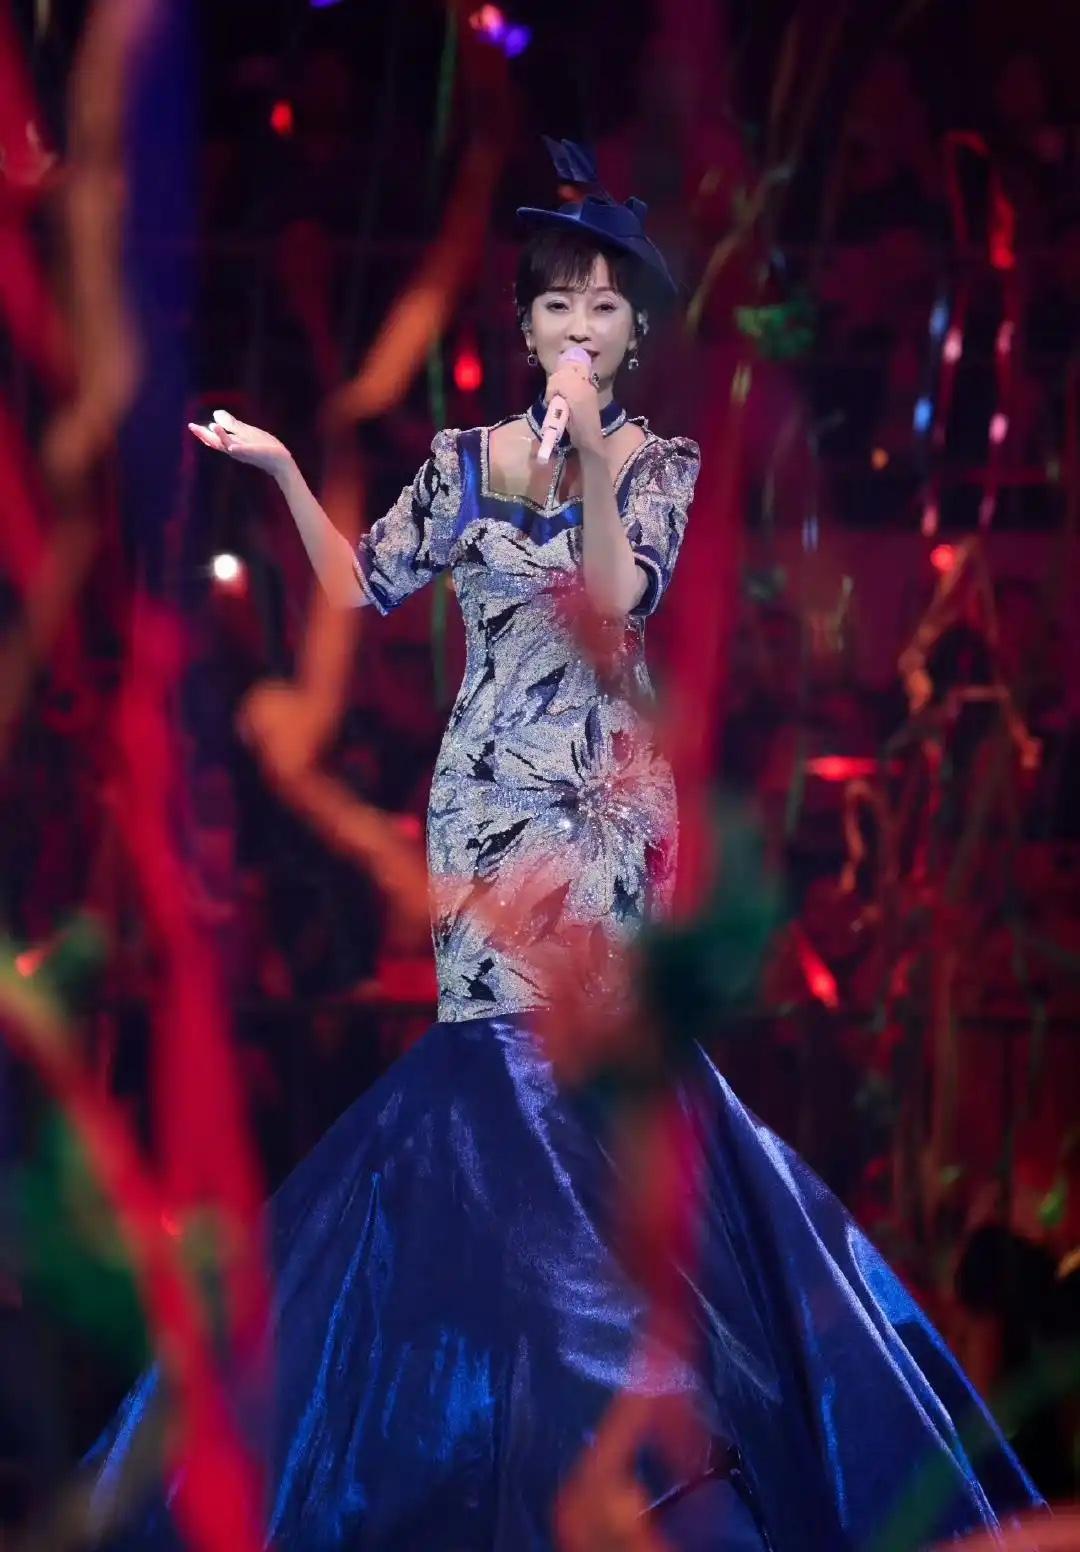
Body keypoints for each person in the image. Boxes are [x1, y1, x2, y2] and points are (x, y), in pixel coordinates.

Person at [88, 142, 1042, 1551]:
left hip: (602, 800)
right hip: (484, 796)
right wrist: (282, 466)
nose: (580, 325)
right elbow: (358, 583)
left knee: (595, 1081)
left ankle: (639, 1427)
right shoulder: (458, 463)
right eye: (558, 303)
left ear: (633, 332)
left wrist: (591, 450)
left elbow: (615, 591)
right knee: (495, 1081)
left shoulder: (660, 465)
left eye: (604, 305)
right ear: (527, 323)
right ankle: (498, 1428)